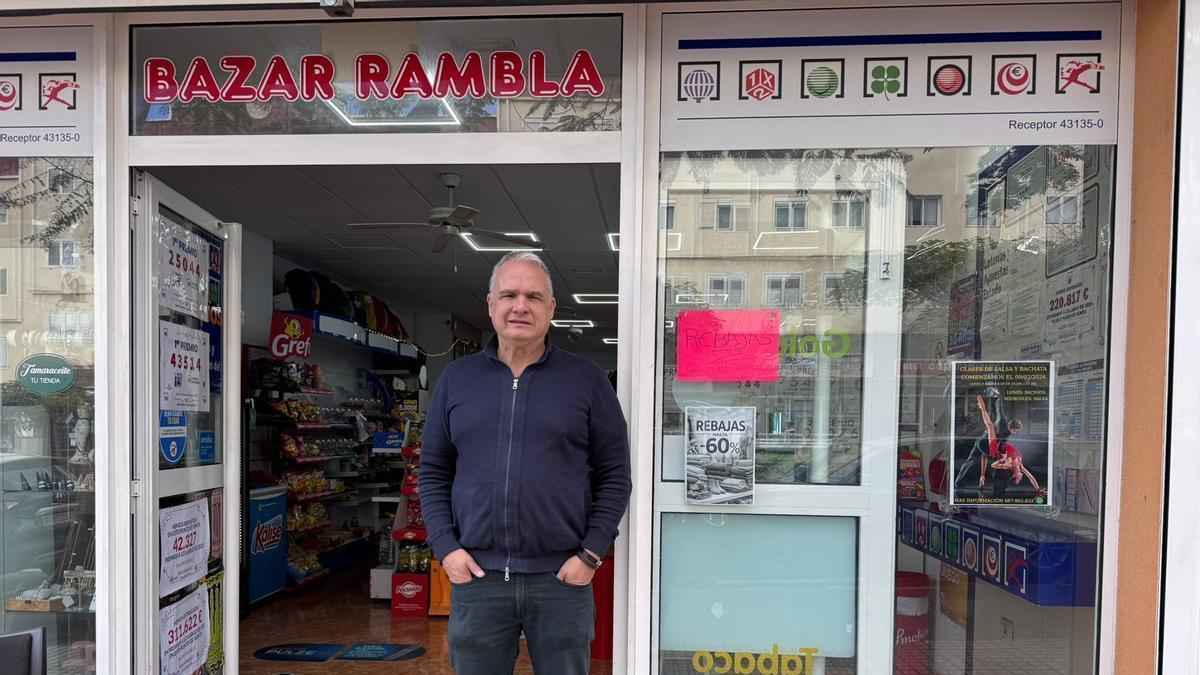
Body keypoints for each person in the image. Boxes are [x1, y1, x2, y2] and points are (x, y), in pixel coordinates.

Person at [418, 251, 632, 675]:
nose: (521, 306)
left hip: (561, 580)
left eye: (533, 297)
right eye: (509, 295)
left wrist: (590, 554)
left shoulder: (585, 379)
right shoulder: (457, 380)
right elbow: (433, 472)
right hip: (478, 580)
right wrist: (446, 547)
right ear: (491, 305)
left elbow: (615, 475)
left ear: (551, 308)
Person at [974, 393, 1044, 497]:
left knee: (990, 426)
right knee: (985, 451)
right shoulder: (1020, 466)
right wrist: (1038, 489)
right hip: (1001, 446)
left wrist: (1002, 460)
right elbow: (1031, 477)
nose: (1021, 478)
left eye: (1018, 479)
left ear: (1015, 475)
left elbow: (993, 465)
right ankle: (982, 476)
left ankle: (982, 407)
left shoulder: (1008, 465)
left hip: (995, 449)